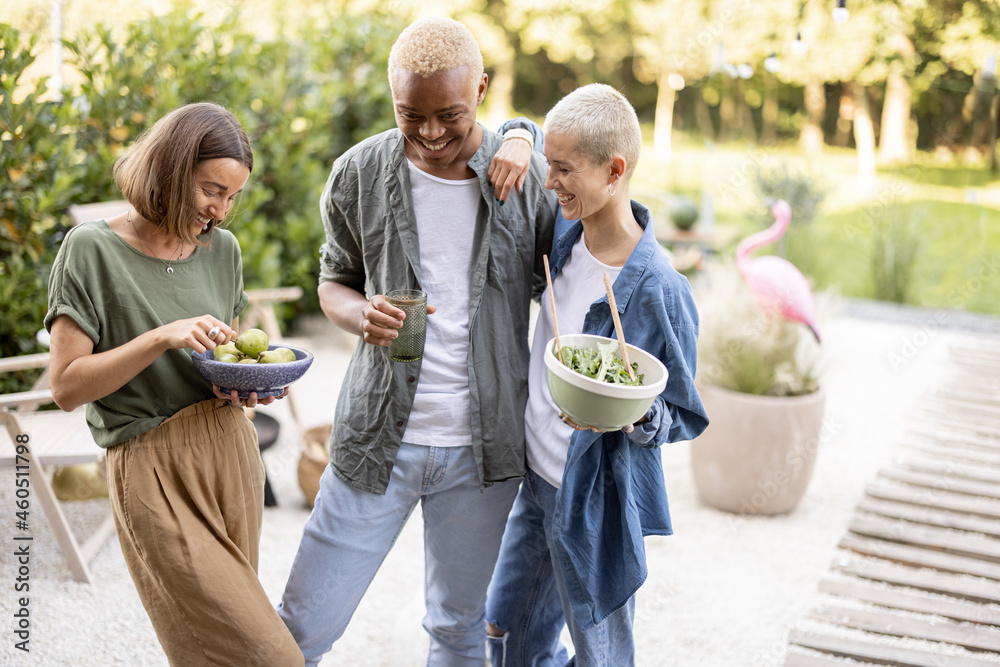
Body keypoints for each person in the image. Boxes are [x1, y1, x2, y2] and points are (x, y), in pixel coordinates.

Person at [276, 17, 556, 666]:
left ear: (482, 89)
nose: (431, 134)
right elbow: (332, 282)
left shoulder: (525, 178)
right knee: (300, 624)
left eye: (449, 114)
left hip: (483, 451)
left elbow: (575, 277)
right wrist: (359, 313)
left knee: (459, 631)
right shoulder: (357, 173)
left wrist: (525, 132)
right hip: (378, 436)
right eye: (411, 115)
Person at [45, 102, 303, 667]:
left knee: (211, 652)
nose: (221, 211)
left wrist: (248, 387)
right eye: (212, 190)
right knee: (268, 655)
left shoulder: (223, 251)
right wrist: (160, 337)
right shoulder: (89, 250)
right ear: (170, 169)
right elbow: (64, 387)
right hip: (150, 464)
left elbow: (224, 358)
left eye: (232, 196)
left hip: (231, 452)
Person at [483, 84, 710, 665]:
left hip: (594, 502)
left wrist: (628, 411)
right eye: (549, 166)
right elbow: (524, 132)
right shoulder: (563, 234)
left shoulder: (660, 287)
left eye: (564, 170)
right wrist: (517, 135)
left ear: (614, 170)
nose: (550, 181)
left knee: (601, 652)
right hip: (536, 480)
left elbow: (682, 412)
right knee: (507, 630)